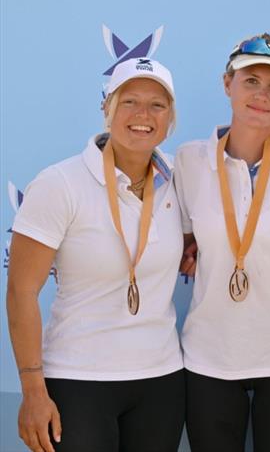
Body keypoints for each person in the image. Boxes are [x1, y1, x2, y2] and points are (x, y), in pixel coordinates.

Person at [7, 58, 184, 452]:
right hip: (77, 380)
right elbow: (21, 290)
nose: (143, 115)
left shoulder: (181, 178)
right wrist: (33, 390)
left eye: (157, 105)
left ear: (170, 118)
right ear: (107, 109)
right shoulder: (60, 183)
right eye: (129, 102)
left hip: (162, 379)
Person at [175, 34, 270, 452]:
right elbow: (182, 235)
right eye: (251, 80)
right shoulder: (189, 161)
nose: (262, 94)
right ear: (228, 84)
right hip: (208, 355)